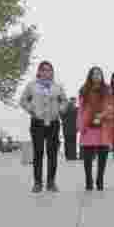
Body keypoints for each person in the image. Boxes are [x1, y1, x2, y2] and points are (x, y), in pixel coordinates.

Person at [18, 61, 69, 192]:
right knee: (38, 153)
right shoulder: (32, 86)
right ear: (39, 72)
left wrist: (60, 109)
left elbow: (64, 101)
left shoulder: (57, 87)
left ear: (52, 72)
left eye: (49, 70)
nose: (46, 72)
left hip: (53, 123)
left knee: (52, 154)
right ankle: (37, 183)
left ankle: (51, 182)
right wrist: (31, 109)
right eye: (44, 70)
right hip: (37, 122)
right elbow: (23, 100)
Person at [77, 66, 114, 191]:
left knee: (102, 156)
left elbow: (111, 106)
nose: (96, 76)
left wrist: (103, 115)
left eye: (99, 73)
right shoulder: (84, 90)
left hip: (103, 126)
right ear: (90, 76)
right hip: (88, 126)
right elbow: (81, 109)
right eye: (94, 74)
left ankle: (100, 180)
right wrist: (79, 125)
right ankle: (88, 180)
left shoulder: (108, 90)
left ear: (102, 75)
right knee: (87, 157)